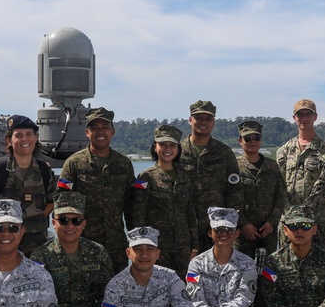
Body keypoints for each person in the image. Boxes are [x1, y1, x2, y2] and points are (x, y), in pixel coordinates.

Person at [58, 107, 135, 272]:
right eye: (94, 128)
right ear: (87, 132)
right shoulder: (74, 163)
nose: (100, 132)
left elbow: (131, 205)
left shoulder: (124, 164)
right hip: (84, 243)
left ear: (112, 131)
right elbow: (62, 205)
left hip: (116, 243)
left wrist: (136, 239)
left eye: (105, 127)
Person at [234, 120, 287, 307]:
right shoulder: (234, 167)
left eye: (256, 138)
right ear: (240, 141)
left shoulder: (272, 166)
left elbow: (280, 196)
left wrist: (273, 222)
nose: (252, 142)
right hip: (243, 234)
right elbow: (231, 199)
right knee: (242, 278)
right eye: (248, 138)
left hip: (267, 233)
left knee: (266, 279)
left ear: (261, 141)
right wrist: (243, 223)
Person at [0, 115, 56, 256]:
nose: (25, 139)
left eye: (29, 134)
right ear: (9, 140)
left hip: (36, 243)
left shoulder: (44, 170)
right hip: (3, 243)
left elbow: (51, 201)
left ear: (35, 138)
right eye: (19, 135)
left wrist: (36, 219)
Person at [130, 125, 199, 278]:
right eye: (163, 144)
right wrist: (142, 247)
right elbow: (138, 215)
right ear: (155, 147)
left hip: (182, 247)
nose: (168, 149)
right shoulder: (146, 177)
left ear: (178, 149)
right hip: (155, 247)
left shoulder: (185, 177)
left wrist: (194, 246)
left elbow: (190, 213)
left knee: (181, 289)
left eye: (172, 145)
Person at [178, 100, 243, 252]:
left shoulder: (224, 152)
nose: (203, 122)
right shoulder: (178, 151)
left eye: (208, 118)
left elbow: (235, 191)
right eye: (198, 118)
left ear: (213, 122)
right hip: (183, 227)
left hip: (217, 229)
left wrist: (230, 225)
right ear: (190, 120)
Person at [275, 99, 325, 252]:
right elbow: (278, 185)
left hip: (316, 222)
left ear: (315, 117)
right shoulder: (284, 151)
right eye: (300, 115)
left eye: (308, 114)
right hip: (288, 223)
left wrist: (303, 216)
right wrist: (291, 214)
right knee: (287, 267)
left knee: (321, 268)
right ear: (294, 118)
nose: (304, 119)